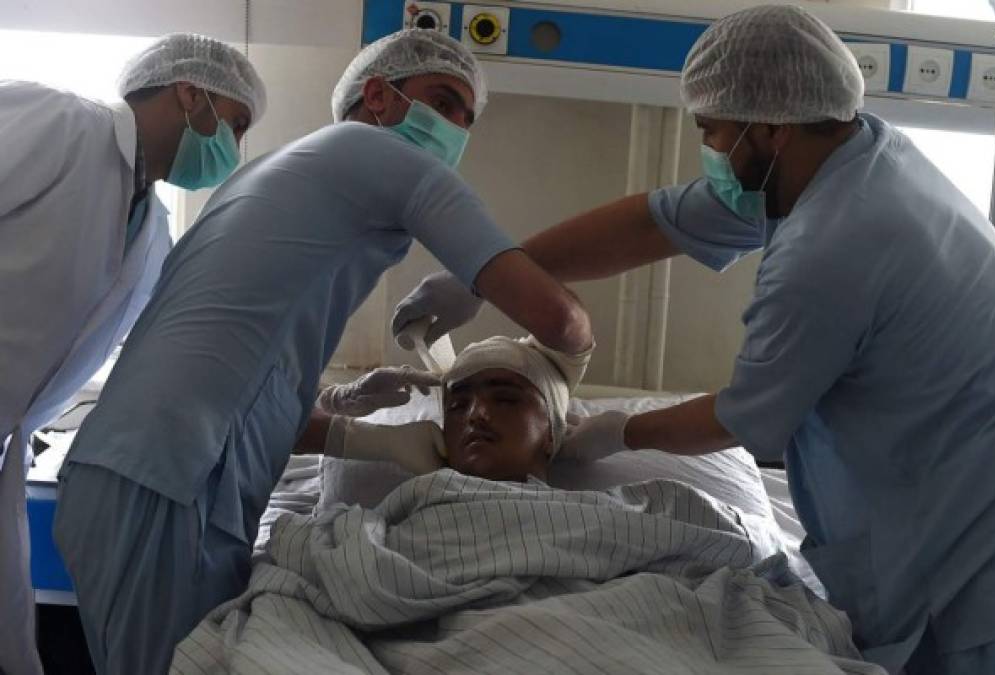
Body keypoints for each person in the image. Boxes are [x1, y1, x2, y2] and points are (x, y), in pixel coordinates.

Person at [390, 6, 995, 674]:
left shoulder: (831, 247)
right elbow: (652, 223)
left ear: (769, 128)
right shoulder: (846, 155)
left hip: (968, 556)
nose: (708, 148)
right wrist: (487, 274)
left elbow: (745, 417)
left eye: (710, 129)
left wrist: (617, 431)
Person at [54, 29, 592, 674]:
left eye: (466, 119)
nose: (453, 128)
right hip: (171, 484)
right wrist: (567, 358)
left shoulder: (271, 173)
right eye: (442, 102)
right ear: (378, 96)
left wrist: (355, 428)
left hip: (131, 474)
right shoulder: (385, 154)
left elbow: (236, 371)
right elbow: (560, 319)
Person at [0, 33, 264, 675]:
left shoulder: (154, 233)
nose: (234, 149)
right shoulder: (61, 123)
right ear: (190, 93)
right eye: (236, 124)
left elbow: (169, 347)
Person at [298, 335, 592, 481]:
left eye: (505, 399)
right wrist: (332, 402)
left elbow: (570, 326)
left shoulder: (591, 518)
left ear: (552, 432)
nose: (475, 415)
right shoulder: (396, 515)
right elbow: (272, 426)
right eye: (458, 405)